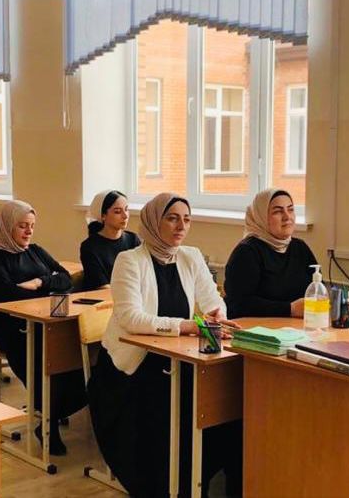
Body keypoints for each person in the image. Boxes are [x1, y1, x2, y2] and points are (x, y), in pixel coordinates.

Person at [89, 192, 242, 496]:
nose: (181, 226)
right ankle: (162, 486)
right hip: (133, 367)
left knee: (218, 408)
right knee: (165, 414)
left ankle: (192, 481)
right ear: (153, 222)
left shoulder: (191, 256)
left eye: (186, 219)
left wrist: (217, 316)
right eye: (172, 218)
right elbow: (131, 318)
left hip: (175, 359)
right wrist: (187, 326)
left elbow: (213, 300)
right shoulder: (129, 260)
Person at [0, 200, 85, 455]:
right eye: (22, 226)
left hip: (44, 323)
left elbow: (65, 278)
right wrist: (48, 289)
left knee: (74, 352)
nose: (28, 231)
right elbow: (6, 296)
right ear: (6, 226)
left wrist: (39, 283)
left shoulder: (34, 251)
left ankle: (52, 412)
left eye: (32, 226)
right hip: (12, 329)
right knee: (45, 356)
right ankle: (49, 420)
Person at [223, 188, 317, 319]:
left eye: (290, 210)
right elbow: (239, 304)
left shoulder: (300, 247)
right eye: (278, 211)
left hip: (297, 326)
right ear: (261, 217)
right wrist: (290, 309)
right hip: (254, 328)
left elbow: (317, 289)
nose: (287, 217)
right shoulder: (247, 252)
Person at [79, 190, 140, 290]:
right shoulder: (89, 247)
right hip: (104, 297)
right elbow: (102, 286)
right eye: (117, 212)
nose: (125, 216)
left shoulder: (133, 239)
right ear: (103, 215)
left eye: (126, 209)